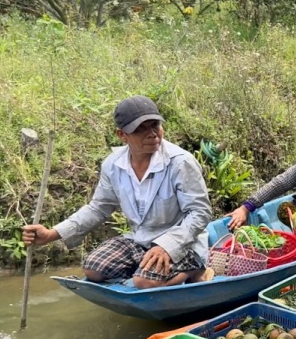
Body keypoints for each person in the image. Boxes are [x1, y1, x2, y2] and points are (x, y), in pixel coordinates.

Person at [22, 95, 213, 289]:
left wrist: (167, 246)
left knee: (144, 282)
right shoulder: (113, 165)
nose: (152, 134)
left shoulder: (180, 162)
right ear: (122, 135)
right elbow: (98, 208)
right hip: (141, 240)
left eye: (155, 125)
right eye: (141, 129)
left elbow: (200, 212)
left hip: (182, 243)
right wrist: (51, 234)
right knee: (94, 269)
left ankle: (195, 270)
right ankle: (148, 271)